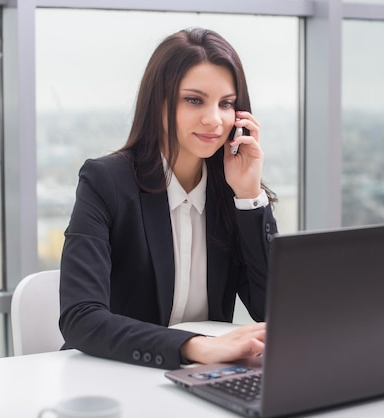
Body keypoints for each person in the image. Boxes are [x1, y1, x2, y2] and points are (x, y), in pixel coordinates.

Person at [58, 27, 278, 370]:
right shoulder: (106, 182)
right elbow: (81, 318)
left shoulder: (231, 193)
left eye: (226, 104)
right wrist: (195, 347)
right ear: (158, 102)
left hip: (206, 378)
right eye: (194, 100)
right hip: (116, 374)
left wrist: (250, 197)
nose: (214, 119)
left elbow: (275, 312)